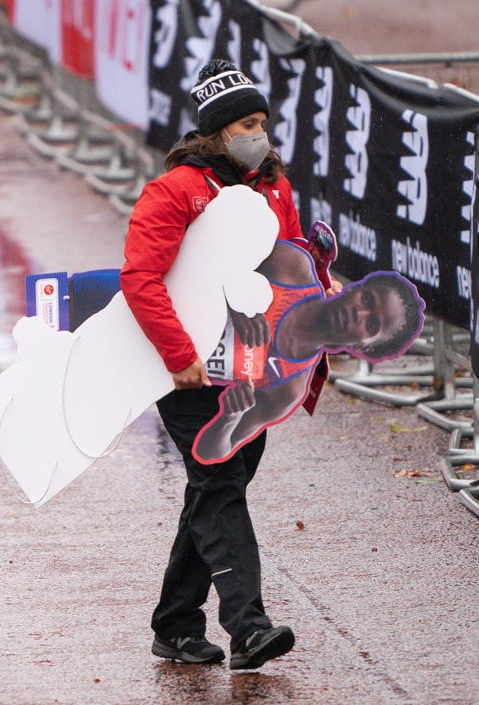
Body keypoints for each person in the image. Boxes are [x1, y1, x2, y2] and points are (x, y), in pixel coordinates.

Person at [120, 59, 339, 670]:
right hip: (187, 372)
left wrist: (318, 304)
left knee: (217, 486)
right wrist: (179, 357)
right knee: (219, 484)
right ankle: (248, 626)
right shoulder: (174, 191)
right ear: (216, 131)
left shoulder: (274, 186)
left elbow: (288, 267)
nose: (260, 135)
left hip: (252, 366)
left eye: (263, 122)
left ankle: (175, 623)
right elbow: (140, 278)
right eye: (247, 123)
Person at [196, 241, 424, 462]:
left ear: (364, 347)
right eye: (366, 299)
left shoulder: (288, 387)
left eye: (372, 325)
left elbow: (213, 452)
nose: (359, 313)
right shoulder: (291, 268)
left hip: (171, 376)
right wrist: (238, 302)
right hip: (166, 306)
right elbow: (212, 245)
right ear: (354, 288)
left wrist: (230, 416)